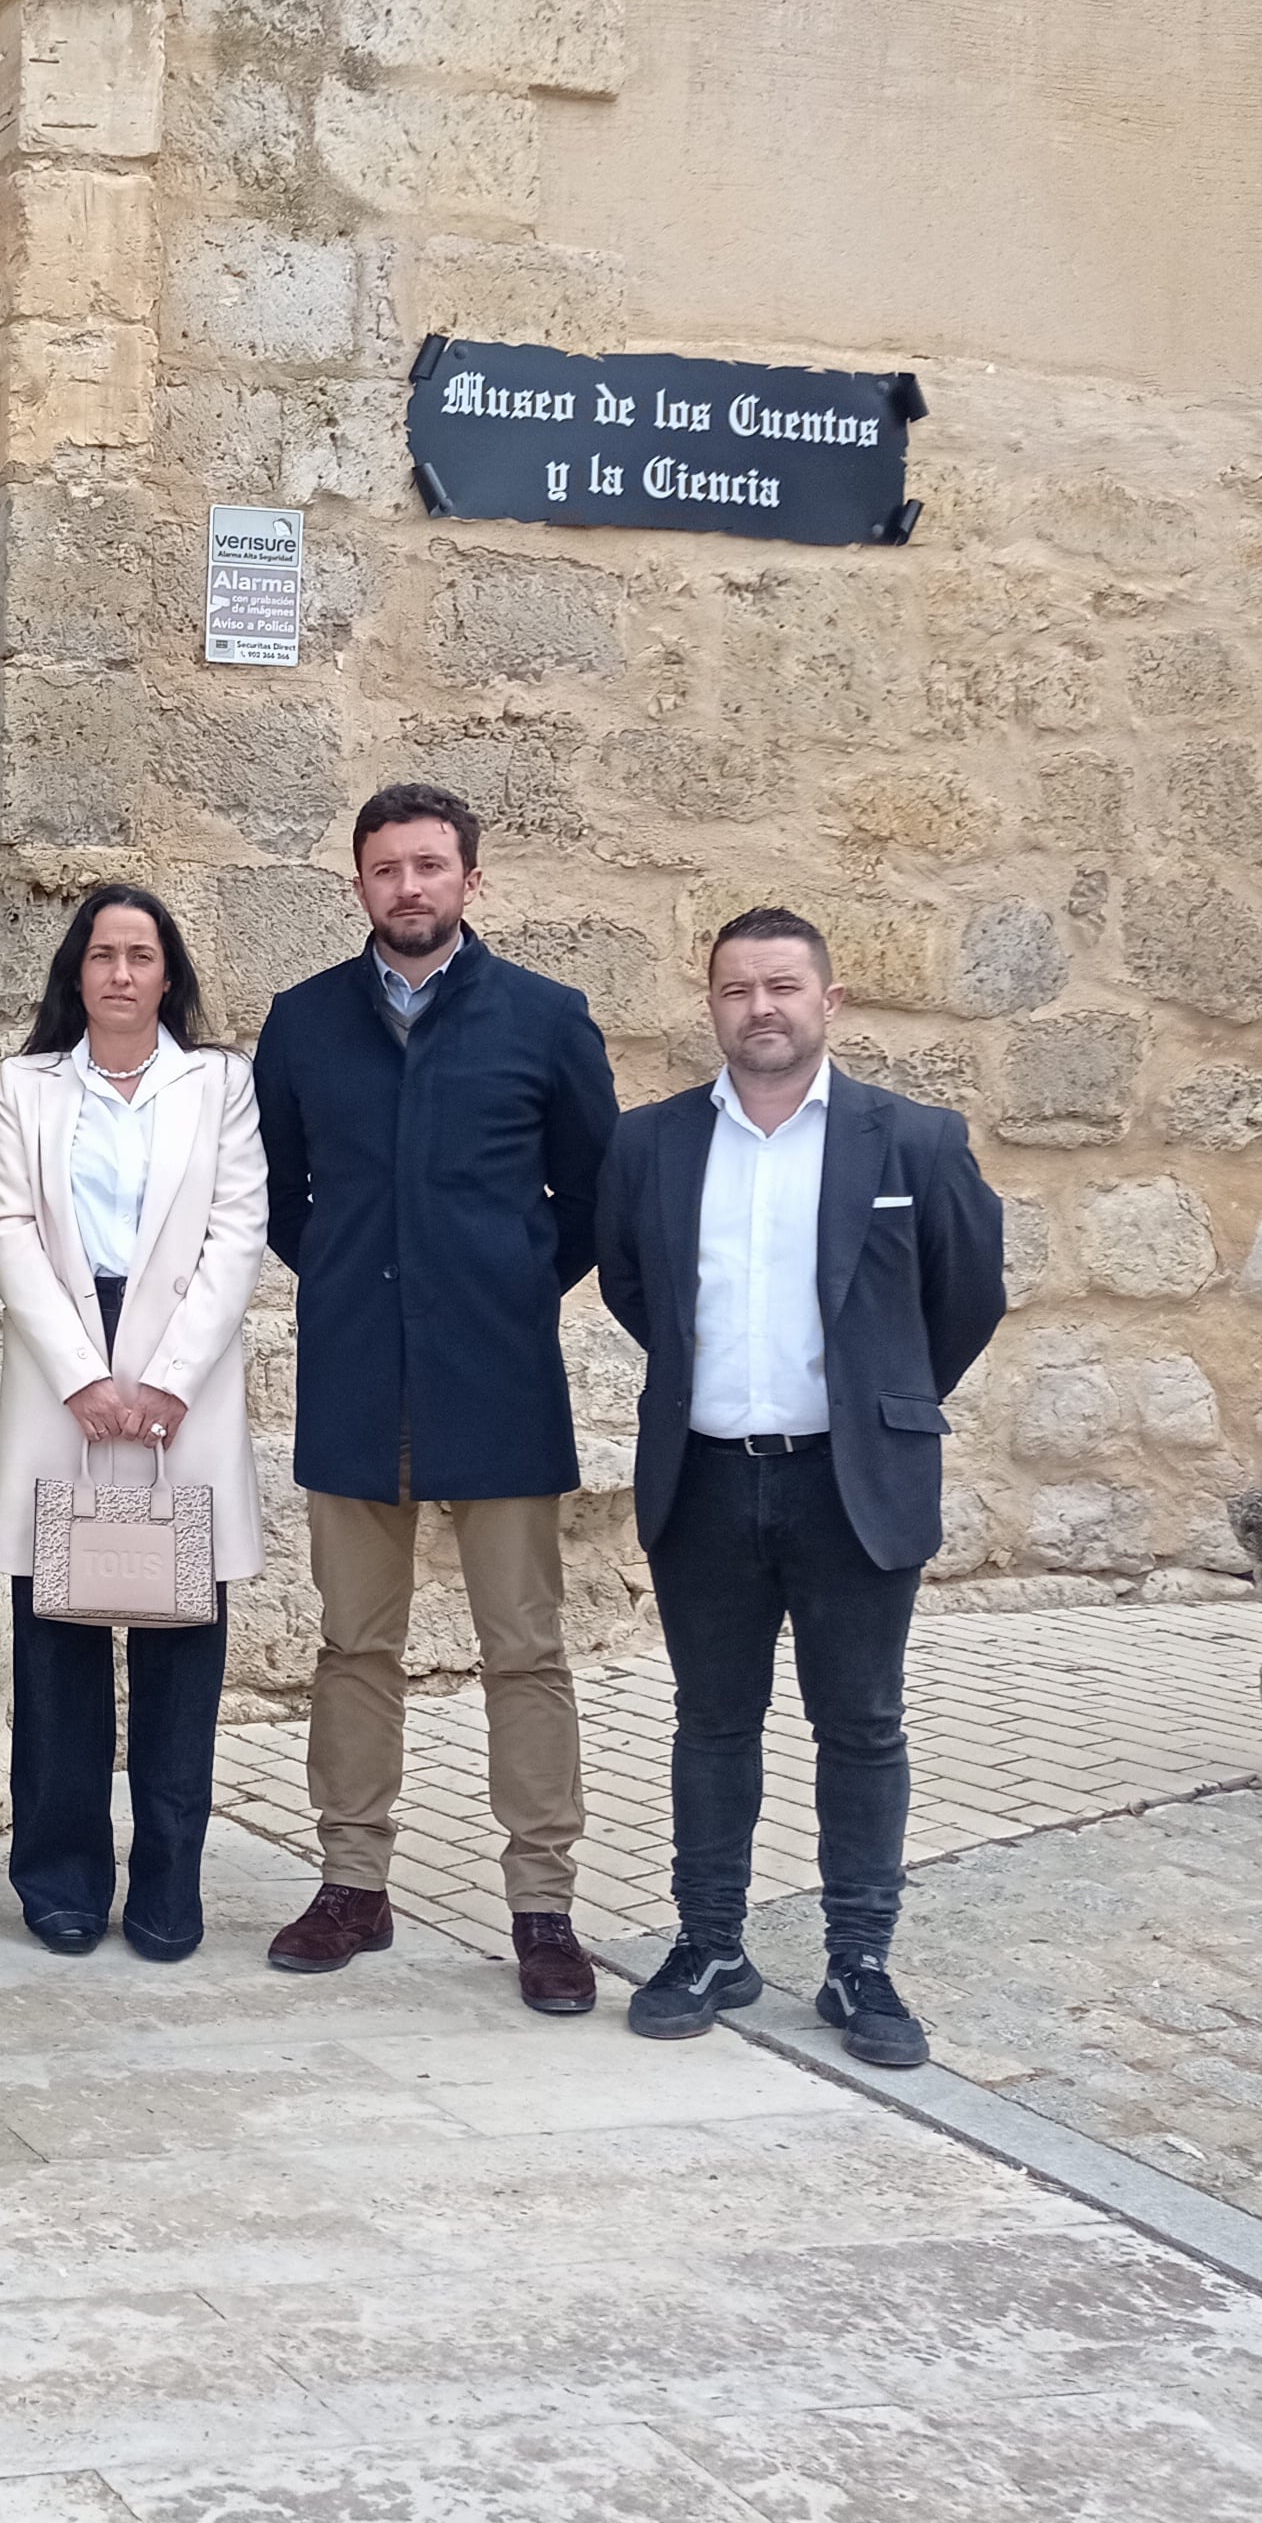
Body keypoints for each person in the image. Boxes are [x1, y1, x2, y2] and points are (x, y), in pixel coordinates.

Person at [598, 908, 1006, 2067]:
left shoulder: (912, 1140)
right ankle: (712, 1943)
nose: (759, 1008)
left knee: (861, 1725)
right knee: (711, 1722)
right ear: (711, 1005)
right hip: (709, 1479)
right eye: (736, 989)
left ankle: (858, 1961)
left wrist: (883, 1397)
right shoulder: (652, 1144)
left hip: (852, 1484)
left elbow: (962, 1295)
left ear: (829, 1002)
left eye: (782, 987)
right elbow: (636, 1289)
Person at [251, 781, 619, 2015]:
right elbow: (287, 1198)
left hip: (497, 1378)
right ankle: (352, 1882)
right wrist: (363, 1280)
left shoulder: (546, 1020)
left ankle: (542, 1904)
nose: (408, 887)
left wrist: (507, 1282)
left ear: (470, 878)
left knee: (525, 1649)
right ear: (356, 884)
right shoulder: (302, 1025)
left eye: (429, 865)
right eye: (385, 869)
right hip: (357, 1376)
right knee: (354, 1642)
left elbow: (589, 1195)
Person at [0, 885, 269, 1963]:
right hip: (65, 1370)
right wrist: (81, 1374)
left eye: (139, 955)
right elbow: (6, 1224)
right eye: (100, 954)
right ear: (75, 971)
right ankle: (58, 1878)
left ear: (166, 973)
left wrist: (164, 1376)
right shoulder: (26, 1086)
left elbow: (237, 1233)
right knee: (55, 1641)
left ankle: (166, 1887)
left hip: (176, 1384)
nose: (118, 973)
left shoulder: (219, 1086)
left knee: (177, 1651)